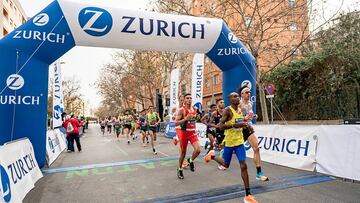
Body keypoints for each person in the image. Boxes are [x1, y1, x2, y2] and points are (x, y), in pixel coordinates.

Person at [204, 92, 258, 203]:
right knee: (225, 164)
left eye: (237, 96)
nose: (237, 98)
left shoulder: (240, 110)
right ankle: (212, 156)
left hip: (239, 142)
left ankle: (248, 195)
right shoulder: (227, 110)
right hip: (229, 142)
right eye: (234, 96)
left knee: (243, 165)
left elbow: (241, 122)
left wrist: (247, 126)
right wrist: (234, 125)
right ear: (229, 99)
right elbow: (221, 125)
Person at [238, 86, 269, 181]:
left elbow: (249, 115)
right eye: (246, 92)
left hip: (248, 128)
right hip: (238, 130)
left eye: (249, 92)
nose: (249, 94)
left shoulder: (250, 104)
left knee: (256, 148)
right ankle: (216, 155)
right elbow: (235, 118)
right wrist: (244, 118)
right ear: (242, 94)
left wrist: (254, 116)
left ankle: (259, 173)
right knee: (227, 157)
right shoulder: (238, 104)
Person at [175, 94, 201, 179]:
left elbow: (195, 120)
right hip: (184, 133)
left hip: (192, 133)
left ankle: (190, 160)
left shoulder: (194, 109)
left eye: (190, 98)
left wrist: (198, 117)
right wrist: (185, 118)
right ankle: (179, 169)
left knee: (198, 150)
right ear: (185, 100)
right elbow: (176, 123)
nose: (189, 99)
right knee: (183, 153)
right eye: (187, 98)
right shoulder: (181, 110)